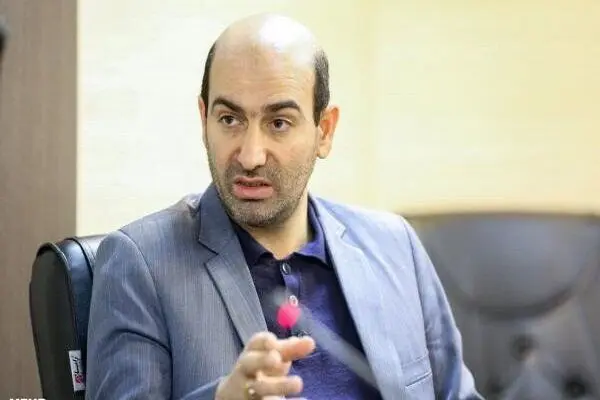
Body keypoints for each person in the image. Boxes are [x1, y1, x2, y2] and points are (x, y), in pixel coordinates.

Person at [86, 13, 482, 400]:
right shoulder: (140, 264)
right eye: (230, 119)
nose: (250, 156)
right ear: (204, 119)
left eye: (278, 123)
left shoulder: (395, 246)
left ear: (324, 131)